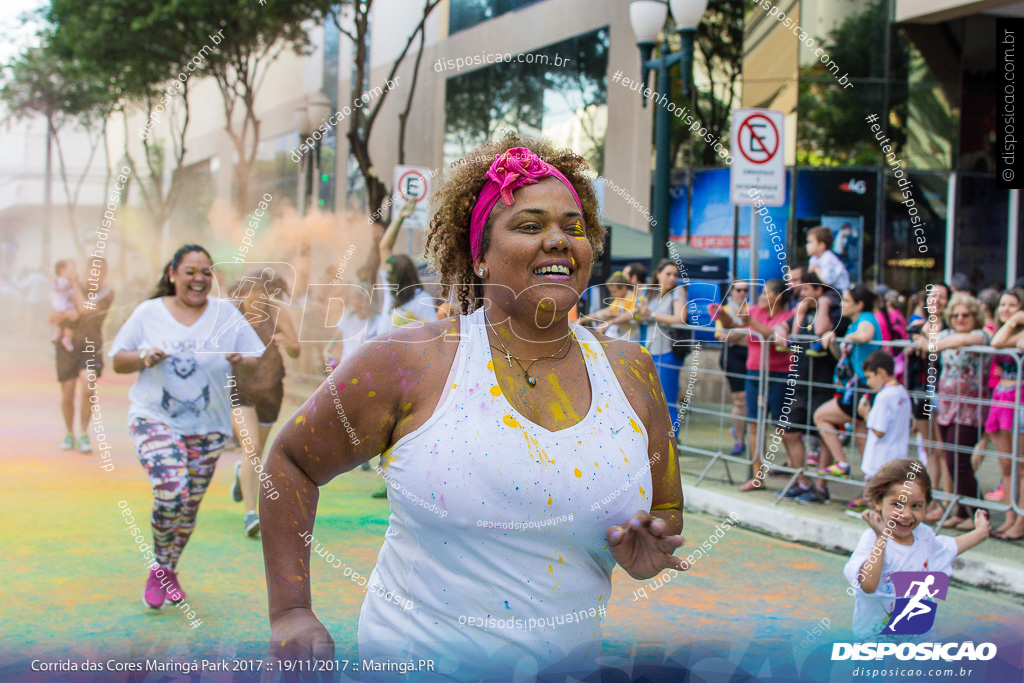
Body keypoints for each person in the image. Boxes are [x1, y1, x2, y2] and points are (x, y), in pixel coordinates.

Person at [261, 137, 685, 679]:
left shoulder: (631, 371)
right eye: (530, 226)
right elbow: (292, 462)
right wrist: (291, 610)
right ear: (479, 254)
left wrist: (647, 547)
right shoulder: (411, 360)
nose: (558, 239)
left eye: (573, 227)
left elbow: (666, 509)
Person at [108, 244, 265, 609]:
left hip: (209, 426)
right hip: (153, 417)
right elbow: (118, 360)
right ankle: (160, 569)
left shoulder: (226, 314)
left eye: (206, 272)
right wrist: (144, 357)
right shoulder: (149, 313)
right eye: (191, 271)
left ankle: (168, 567)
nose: (199, 279)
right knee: (171, 490)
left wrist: (242, 360)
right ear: (173, 274)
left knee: (189, 507)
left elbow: (256, 359)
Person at [843, 459, 989, 642]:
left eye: (916, 506)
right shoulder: (872, 539)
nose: (906, 514)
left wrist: (981, 533)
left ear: (927, 505)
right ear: (878, 502)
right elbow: (868, 586)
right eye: (897, 504)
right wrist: (881, 538)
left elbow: (948, 547)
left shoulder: (925, 536)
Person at [226, 268, 300, 537]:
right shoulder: (232, 314)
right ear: (242, 293)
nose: (256, 297)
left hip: (271, 390)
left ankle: (240, 473)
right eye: (250, 292)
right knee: (253, 448)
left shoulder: (277, 313)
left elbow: (296, 348)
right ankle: (250, 513)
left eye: (261, 292)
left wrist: (286, 341)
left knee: (255, 454)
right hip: (240, 387)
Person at [916, 293, 991, 530]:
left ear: (974, 316)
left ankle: (980, 513)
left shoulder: (981, 335)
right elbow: (923, 333)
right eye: (956, 315)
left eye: (965, 315)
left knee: (960, 461)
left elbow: (963, 341)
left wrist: (930, 343)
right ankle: (961, 510)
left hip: (971, 407)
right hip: (948, 405)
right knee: (950, 459)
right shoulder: (946, 334)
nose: (960, 318)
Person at [715, 279, 794, 492]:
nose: (760, 295)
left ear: (777, 297)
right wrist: (721, 315)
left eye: (766, 292)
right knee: (754, 424)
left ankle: (796, 473)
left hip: (778, 374)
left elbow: (771, 335)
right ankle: (758, 476)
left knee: (782, 427)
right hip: (754, 372)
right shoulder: (755, 310)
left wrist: (750, 321)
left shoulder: (787, 317)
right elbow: (737, 326)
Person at [811, 285, 882, 500]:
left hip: (864, 386)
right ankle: (870, 494)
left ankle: (842, 463)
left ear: (859, 304)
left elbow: (866, 334)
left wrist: (847, 338)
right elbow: (842, 353)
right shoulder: (853, 324)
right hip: (856, 385)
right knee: (864, 443)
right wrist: (832, 340)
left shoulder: (866, 318)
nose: (842, 304)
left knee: (821, 416)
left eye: (847, 301)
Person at [782, 273, 846, 499]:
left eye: (806, 290)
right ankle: (802, 481)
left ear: (819, 290)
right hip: (799, 382)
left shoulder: (835, 312)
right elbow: (786, 328)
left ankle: (821, 486)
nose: (801, 294)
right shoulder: (802, 311)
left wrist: (825, 304)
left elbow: (820, 330)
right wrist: (782, 328)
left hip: (823, 383)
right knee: (789, 433)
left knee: (823, 436)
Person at [50, 257, 116, 452]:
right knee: (67, 393)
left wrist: (73, 284)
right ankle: (70, 433)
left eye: (100, 272)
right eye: (92, 270)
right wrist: (65, 315)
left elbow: (85, 309)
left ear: (104, 274)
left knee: (88, 388)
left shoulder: (106, 293)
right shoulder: (67, 289)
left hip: (91, 345)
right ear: (87, 271)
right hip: (68, 348)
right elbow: (52, 316)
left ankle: (84, 433)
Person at [844, 351, 912, 512]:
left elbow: (879, 430)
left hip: (880, 461)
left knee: (878, 504)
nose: (868, 383)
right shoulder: (902, 392)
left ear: (880, 373)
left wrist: (866, 415)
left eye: (869, 377)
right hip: (897, 456)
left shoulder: (884, 396)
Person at [907, 283, 951, 521]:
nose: (937, 301)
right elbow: (911, 332)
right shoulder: (919, 325)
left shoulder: (951, 326)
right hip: (922, 389)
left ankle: (945, 503)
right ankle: (931, 500)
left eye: (943, 297)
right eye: (933, 296)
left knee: (944, 450)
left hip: (941, 391)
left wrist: (924, 340)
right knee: (930, 448)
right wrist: (919, 335)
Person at [986, 289, 1024, 540]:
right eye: (1003, 305)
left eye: (1012, 305)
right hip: (1001, 397)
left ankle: (1020, 520)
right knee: (1006, 465)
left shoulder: (1017, 331)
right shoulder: (1008, 328)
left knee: (1021, 466)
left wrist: (1013, 322)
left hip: (1019, 399)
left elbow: (1004, 343)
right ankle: (1010, 516)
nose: (1006, 309)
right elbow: (996, 341)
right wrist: (1011, 322)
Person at [637, 258, 687, 428]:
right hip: (648, 348)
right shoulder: (648, 292)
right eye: (668, 274)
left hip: (668, 351)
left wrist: (651, 315)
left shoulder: (678, 292)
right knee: (648, 399)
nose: (672, 278)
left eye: (675, 274)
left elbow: (680, 319)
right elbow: (638, 314)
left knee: (667, 399)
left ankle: (671, 443)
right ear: (658, 274)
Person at [375, 199, 437, 336]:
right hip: (382, 352)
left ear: (399, 278)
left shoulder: (423, 300)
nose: (387, 277)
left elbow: (430, 334)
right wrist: (400, 217)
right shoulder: (391, 291)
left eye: (390, 276)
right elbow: (384, 247)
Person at [712, 279, 750, 456]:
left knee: (753, 398)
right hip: (733, 356)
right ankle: (739, 440)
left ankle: (739, 428)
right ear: (732, 292)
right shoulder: (724, 311)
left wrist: (736, 334)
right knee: (740, 398)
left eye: (745, 290)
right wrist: (743, 332)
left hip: (751, 355)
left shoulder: (751, 309)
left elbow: (755, 333)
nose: (742, 293)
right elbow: (722, 336)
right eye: (739, 290)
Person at [592, 271, 638, 340]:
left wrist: (610, 321)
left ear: (623, 288)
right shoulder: (620, 298)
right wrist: (582, 320)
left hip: (631, 335)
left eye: (614, 291)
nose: (613, 295)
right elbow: (606, 311)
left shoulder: (631, 297)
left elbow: (630, 315)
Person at [806, 226, 849, 293]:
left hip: (839, 291)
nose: (807, 245)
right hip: (826, 289)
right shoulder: (813, 258)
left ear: (821, 245)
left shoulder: (828, 258)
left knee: (824, 301)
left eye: (810, 242)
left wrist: (816, 269)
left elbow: (827, 281)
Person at [50, 259, 77, 351]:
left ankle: (56, 335)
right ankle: (67, 338)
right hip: (65, 304)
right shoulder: (66, 282)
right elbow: (71, 292)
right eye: (72, 268)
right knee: (71, 319)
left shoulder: (57, 280)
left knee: (61, 322)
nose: (74, 270)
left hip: (58, 304)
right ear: (62, 271)